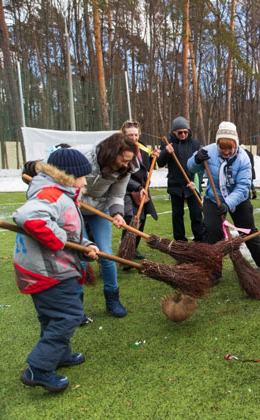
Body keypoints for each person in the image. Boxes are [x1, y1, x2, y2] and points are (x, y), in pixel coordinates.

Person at [13, 148, 99, 392]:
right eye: (83, 176)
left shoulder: (63, 196)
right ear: (70, 176)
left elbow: (70, 230)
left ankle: (59, 355)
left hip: (48, 267)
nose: (85, 181)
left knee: (52, 316)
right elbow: (29, 218)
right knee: (68, 315)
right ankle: (37, 369)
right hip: (48, 271)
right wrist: (60, 240)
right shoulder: (51, 195)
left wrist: (85, 246)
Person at [187, 121, 260, 277]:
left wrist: (228, 203)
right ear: (217, 144)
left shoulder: (244, 159)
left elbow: (243, 187)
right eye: (222, 148)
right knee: (212, 232)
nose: (226, 152)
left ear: (236, 144)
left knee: (247, 231)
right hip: (214, 199)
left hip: (238, 200)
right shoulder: (208, 152)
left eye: (230, 148)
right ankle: (213, 270)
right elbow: (191, 167)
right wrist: (197, 160)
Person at [73, 133, 138, 318]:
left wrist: (117, 213)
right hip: (74, 208)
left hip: (99, 210)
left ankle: (112, 299)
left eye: (129, 161)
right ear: (111, 153)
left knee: (106, 255)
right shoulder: (83, 158)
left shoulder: (126, 169)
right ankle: (76, 305)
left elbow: (117, 195)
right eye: (123, 160)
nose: (126, 164)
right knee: (82, 255)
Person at [158, 116, 204, 242]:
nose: (183, 134)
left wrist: (197, 183)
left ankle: (199, 239)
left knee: (196, 214)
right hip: (175, 185)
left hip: (192, 184)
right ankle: (180, 241)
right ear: (174, 132)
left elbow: (201, 167)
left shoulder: (195, 144)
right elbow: (160, 163)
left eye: (185, 132)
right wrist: (166, 152)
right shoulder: (167, 143)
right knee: (177, 215)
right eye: (180, 132)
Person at [120, 120, 160, 266]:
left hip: (142, 189)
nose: (134, 138)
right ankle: (125, 254)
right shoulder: (120, 150)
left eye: (136, 135)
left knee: (141, 218)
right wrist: (136, 187)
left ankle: (133, 249)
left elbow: (146, 167)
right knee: (131, 218)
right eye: (130, 135)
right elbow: (122, 174)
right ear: (124, 135)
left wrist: (153, 157)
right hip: (126, 189)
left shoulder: (141, 148)